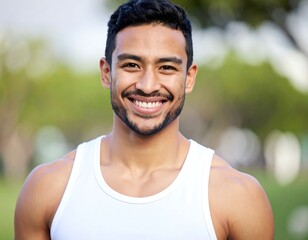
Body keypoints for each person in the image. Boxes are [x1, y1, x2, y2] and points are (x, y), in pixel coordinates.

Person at [14, 0, 274, 239]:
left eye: (167, 68)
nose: (148, 85)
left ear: (189, 77)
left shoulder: (238, 196)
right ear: (106, 72)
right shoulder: (48, 188)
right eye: (131, 65)